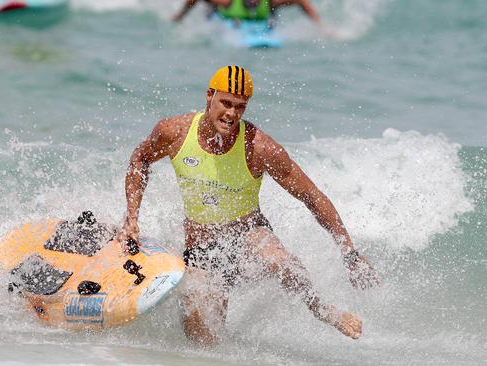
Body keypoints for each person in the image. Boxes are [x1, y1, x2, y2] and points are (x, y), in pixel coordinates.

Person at [117, 65, 379, 345]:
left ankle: (320, 308)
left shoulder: (260, 148)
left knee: (280, 260)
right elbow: (140, 159)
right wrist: (131, 217)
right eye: (226, 103)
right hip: (201, 253)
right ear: (209, 96)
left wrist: (349, 254)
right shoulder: (175, 132)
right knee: (202, 343)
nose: (231, 114)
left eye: (240, 107)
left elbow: (312, 197)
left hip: (247, 236)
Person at [172, 0, 325, 33]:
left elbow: (301, 2)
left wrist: (321, 26)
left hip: (260, 18)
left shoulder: (271, 2)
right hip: (223, 13)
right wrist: (179, 17)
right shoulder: (227, 2)